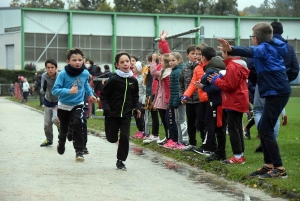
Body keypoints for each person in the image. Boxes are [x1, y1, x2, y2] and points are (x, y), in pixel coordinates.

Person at [217, 22, 290, 178]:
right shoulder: (276, 44)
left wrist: (231, 49)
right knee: (264, 128)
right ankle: (268, 165)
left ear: (256, 38)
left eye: (252, 37)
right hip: (277, 90)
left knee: (265, 129)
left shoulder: (264, 48)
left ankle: (279, 168)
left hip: (276, 91)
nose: (251, 40)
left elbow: (250, 51)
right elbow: (261, 46)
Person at [52, 48, 96, 161]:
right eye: (74, 60)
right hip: (64, 105)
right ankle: (61, 142)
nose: (77, 62)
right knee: (64, 129)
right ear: (68, 61)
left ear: (83, 60)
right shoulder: (63, 74)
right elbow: (55, 90)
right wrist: (68, 91)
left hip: (78, 103)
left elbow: (85, 84)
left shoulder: (85, 73)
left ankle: (79, 151)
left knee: (78, 124)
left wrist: (91, 94)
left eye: (80, 60)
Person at [209, 44, 249, 165]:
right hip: (239, 99)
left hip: (234, 100)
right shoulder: (237, 64)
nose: (221, 55)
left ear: (227, 52)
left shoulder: (232, 66)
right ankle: (240, 154)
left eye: (222, 51)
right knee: (236, 128)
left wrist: (216, 80)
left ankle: (237, 155)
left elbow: (230, 86)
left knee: (233, 129)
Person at [100, 52, 141, 170]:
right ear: (117, 65)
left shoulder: (134, 80)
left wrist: (137, 107)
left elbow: (135, 97)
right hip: (112, 114)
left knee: (124, 137)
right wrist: (107, 109)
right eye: (122, 62)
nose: (125, 64)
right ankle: (113, 138)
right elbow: (104, 95)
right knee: (111, 138)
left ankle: (120, 160)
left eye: (127, 61)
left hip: (126, 114)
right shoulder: (113, 79)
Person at [195, 46, 227, 161]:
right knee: (218, 127)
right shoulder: (219, 67)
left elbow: (214, 87)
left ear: (204, 58)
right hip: (219, 101)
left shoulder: (211, 70)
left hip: (217, 102)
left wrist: (203, 86)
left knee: (219, 127)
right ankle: (219, 151)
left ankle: (220, 152)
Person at [271, 21, 299, 126]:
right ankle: (271, 140)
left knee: (264, 112)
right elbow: (295, 68)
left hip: (268, 83)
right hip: (283, 84)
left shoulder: (266, 45)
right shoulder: (289, 47)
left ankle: (268, 141)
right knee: (275, 113)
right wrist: (286, 79)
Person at [179, 44, 204, 151]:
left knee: (201, 122)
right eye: (192, 54)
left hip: (199, 99)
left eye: (197, 54)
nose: (195, 56)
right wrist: (182, 95)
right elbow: (181, 83)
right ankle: (192, 142)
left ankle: (204, 142)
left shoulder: (202, 67)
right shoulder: (184, 68)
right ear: (187, 55)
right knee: (191, 121)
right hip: (188, 100)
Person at [167, 52, 187, 149]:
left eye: (173, 60)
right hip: (175, 99)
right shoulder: (174, 71)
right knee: (178, 120)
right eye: (169, 61)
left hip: (180, 100)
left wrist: (177, 100)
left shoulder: (178, 71)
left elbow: (178, 88)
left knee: (181, 120)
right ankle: (180, 141)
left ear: (179, 60)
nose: (171, 63)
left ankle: (184, 140)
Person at [40, 59, 60, 147]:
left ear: (56, 68)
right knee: (47, 124)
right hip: (48, 101)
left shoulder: (60, 76)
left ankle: (61, 133)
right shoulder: (44, 76)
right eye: (48, 68)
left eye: (52, 67)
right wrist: (43, 89)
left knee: (55, 120)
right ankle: (49, 139)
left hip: (58, 102)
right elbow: (41, 91)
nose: (50, 69)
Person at [142, 53, 160, 144]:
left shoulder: (150, 69)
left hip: (151, 93)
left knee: (153, 115)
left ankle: (155, 134)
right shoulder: (154, 69)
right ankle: (152, 133)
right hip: (151, 93)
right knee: (153, 115)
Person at [131, 61, 146, 139]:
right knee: (136, 116)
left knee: (140, 116)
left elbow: (144, 90)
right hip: (136, 100)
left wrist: (143, 101)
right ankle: (140, 130)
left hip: (141, 101)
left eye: (134, 68)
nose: (133, 69)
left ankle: (143, 131)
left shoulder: (143, 78)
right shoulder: (136, 77)